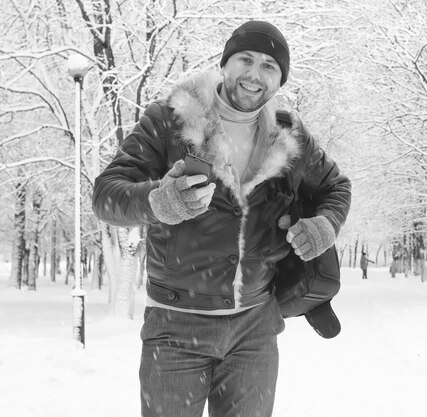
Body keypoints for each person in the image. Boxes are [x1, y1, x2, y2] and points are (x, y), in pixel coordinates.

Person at [92, 21, 351, 417]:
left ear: (279, 79)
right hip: (175, 327)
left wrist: (325, 224)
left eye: (269, 65)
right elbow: (106, 196)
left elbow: (336, 187)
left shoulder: (289, 135)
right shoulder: (170, 120)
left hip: (255, 328)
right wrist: (159, 202)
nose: (254, 73)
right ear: (225, 64)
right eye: (245, 59)